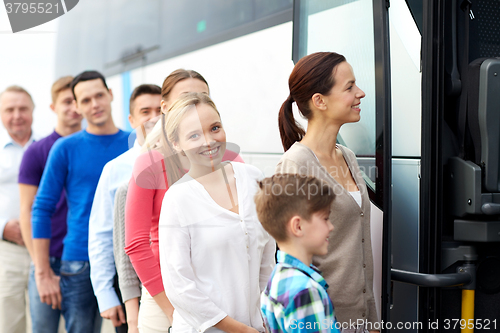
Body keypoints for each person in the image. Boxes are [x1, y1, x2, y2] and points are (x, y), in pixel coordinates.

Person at [125, 69, 244, 333]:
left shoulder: (233, 163)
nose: (196, 106)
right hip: (163, 298)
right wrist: (170, 309)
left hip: (224, 291)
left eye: (202, 97)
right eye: (186, 98)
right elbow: (135, 244)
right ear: (165, 108)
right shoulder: (149, 164)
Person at [276, 52, 378, 332]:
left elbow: (359, 249)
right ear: (319, 101)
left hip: (360, 321)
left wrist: (372, 319)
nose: (361, 93)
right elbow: (289, 259)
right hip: (321, 322)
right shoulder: (294, 165)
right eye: (349, 87)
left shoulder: (348, 157)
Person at [158, 92, 276, 333]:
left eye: (214, 128)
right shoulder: (177, 200)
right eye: (194, 135)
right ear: (176, 144)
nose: (209, 141)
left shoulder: (253, 178)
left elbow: (267, 258)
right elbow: (179, 286)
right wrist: (239, 329)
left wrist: (265, 319)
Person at [31, 71, 130, 333]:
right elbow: (41, 209)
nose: (94, 104)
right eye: (85, 100)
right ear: (76, 106)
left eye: (99, 95)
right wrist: (42, 273)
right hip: (79, 262)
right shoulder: (65, 148)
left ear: (110, 95)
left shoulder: (134, 143)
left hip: (128, 257)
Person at [89, 84, 162, 333]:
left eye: (160, 109)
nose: (154, 118)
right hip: (132, 288)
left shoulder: (181, 163)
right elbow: (101, 234)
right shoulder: (116, 169)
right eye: (145, 111)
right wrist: (106, 295)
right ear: (132, 119)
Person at [18, 76, 82, 333]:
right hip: (48, 258)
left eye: (78, 101)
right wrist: (40, 268)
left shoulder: (93, 146)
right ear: (53, 107)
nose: (74, 107)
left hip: (83, 258)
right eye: (67, 101)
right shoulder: (37, 152)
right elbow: (27, 210)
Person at [255, 174, 340, 333]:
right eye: (325, 219)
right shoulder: (305, 291)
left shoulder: (279, 278)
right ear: (298, 226)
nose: (331, 227)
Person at [0, 85, 40, 333]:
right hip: (9, 252)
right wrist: (2, 227)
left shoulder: (48, 147)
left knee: (47, 323)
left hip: (45, 247)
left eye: (23, 108)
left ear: (33, 112)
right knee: (9, 322)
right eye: (9, 109)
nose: (17, 115)